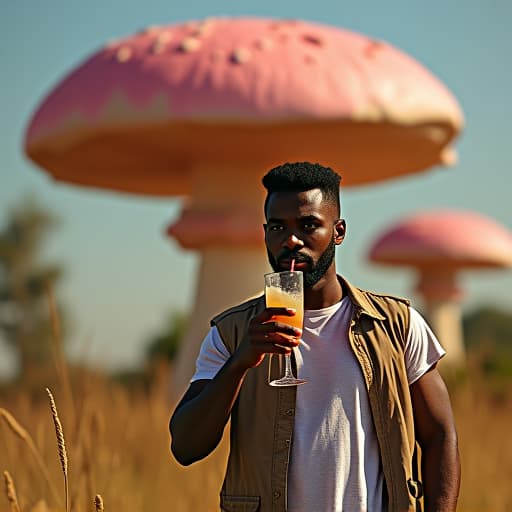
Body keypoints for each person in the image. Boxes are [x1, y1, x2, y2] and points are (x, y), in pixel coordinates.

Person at [169, 162, 460, 512]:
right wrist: (240, 363)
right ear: (265, 235)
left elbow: (440, 434)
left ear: (338, 232)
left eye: (308, 225)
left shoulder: (396, 325)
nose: (291, 240)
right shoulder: (231, 334)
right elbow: (185, 447)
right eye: (277, 227)